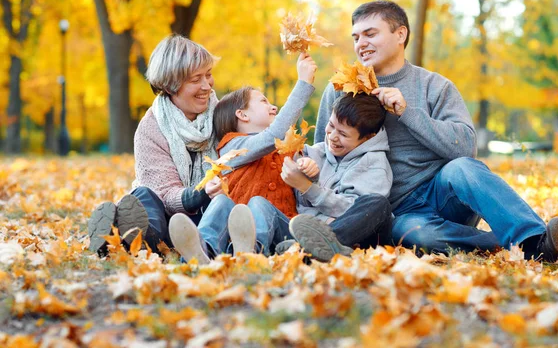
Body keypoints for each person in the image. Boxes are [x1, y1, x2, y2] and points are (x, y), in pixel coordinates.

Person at [314, 0, 558, 262]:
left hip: (443, 193)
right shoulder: (340, 89)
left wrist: (408, 113)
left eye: (370, 34)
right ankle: (505, 243)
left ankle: (537, 241)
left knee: (463, 168)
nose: (361, 44)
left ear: (400, 34)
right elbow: (322, 156)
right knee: (415, 235)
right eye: (356, 37)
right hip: (395, 213)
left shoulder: (434, 86)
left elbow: (465, 148)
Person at [167, 53, 319, 262]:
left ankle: (252, 253)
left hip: (282, 229)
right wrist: (302, 84)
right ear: (242, 115)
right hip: (234, 236)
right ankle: (202, 251)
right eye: (264, 102)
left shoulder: (289, 149)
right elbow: (271, 137)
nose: (273, 107)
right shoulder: (233, 146)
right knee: (221, 202)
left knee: (259, 203)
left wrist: (309, 170)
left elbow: (304, 196)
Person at [87, 35, 225, 255]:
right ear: (171, 85)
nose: (206, 85)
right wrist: (200, 193)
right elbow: (166, 193)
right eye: (195, 79)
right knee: (145, 196)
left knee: (220, 210)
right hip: (170, 213)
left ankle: (118, 236)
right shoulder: (151, 128)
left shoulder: (223, 115)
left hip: (209, 214)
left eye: (208, 75)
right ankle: (126, 234)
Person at [278, 93, 393, 262]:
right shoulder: (313, 153)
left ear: (368, 138)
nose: (332, 137)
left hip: (358, 237)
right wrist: (304, 174)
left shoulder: (375, 164)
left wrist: (308, 188)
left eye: (343, 134)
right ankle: (304, 249)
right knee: (264, 206)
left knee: (378, 204)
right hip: (313, 228)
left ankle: (319, 246)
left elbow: (352, 212)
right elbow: (299, 209)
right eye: (331, 125)